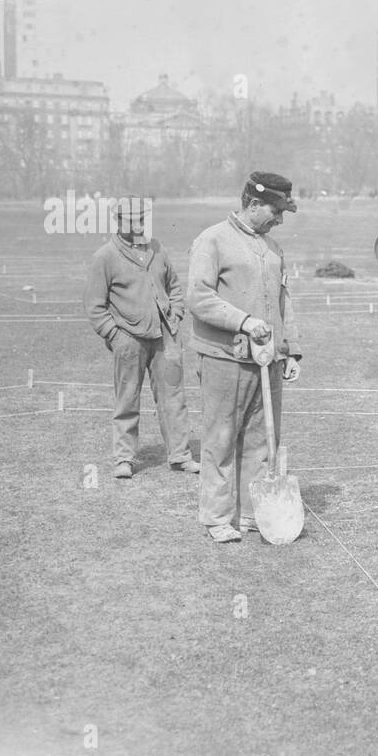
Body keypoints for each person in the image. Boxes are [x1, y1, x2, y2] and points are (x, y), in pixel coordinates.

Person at [187, 172, 303, 543]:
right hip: (224, 357)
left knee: (260, 441)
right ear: (253, 204)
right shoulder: (212, 240)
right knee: (221, 439)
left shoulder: (273, 248)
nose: (280, 220)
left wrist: (291, 350)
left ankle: (251, 512)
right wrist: (244, 321)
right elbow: (199, 298)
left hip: (267, 360)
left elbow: (285, 301)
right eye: (275, 211)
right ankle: (218, 518)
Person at [83, 195, 199, 480]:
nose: (137, 225)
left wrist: (177, 313)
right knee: (127, 399)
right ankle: (124, 459)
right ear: (118, 221)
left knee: (173, 398)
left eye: (141, 220)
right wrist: (115, 335)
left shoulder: (157, 248)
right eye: (130, 220)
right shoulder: (104, 257)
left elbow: (173, 285)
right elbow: (95, 306)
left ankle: (180, 455)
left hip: (165, 336)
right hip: (129, 340)